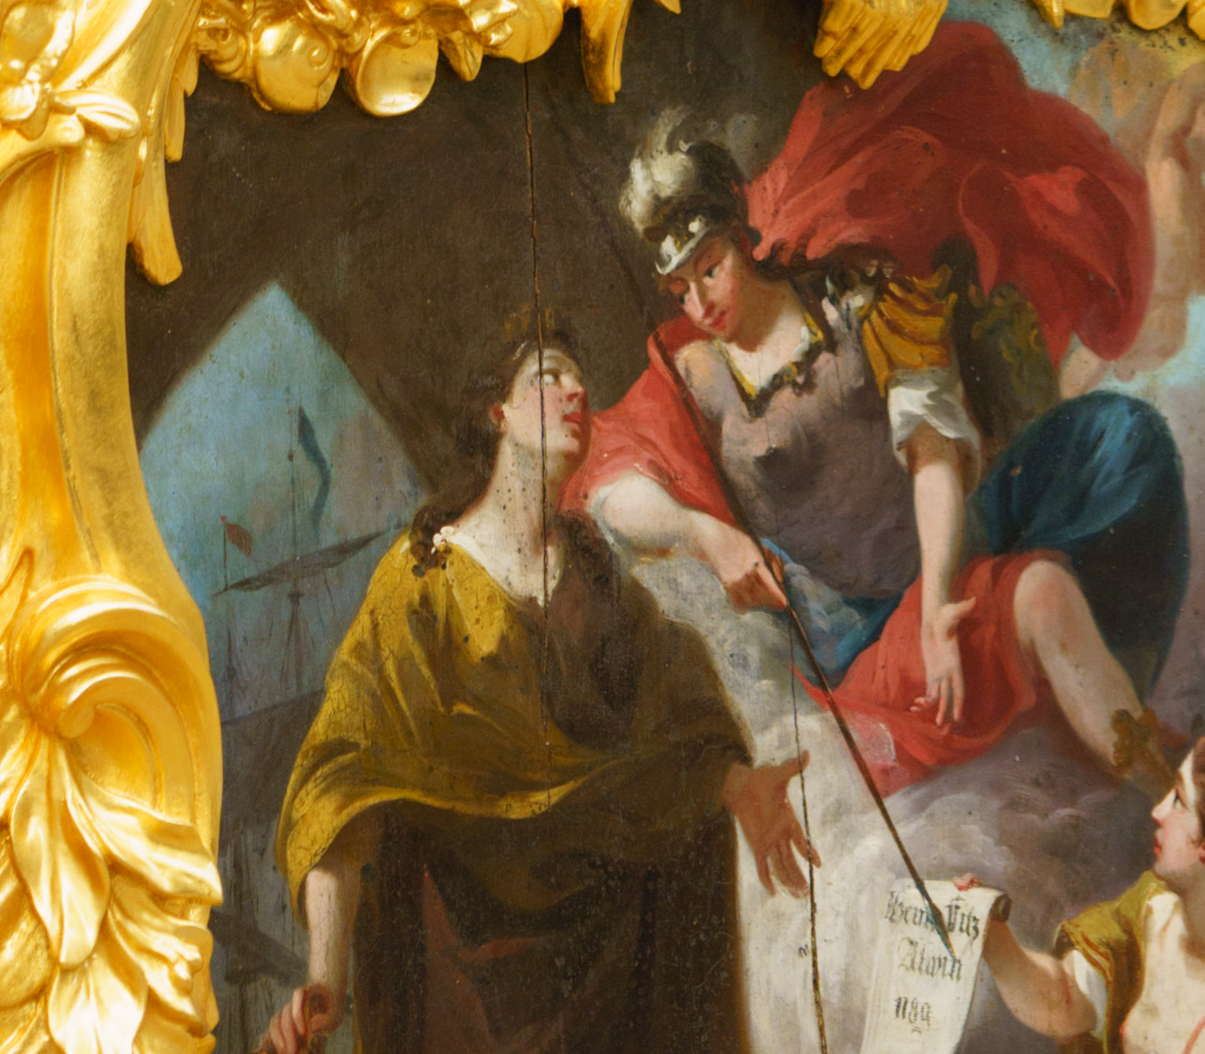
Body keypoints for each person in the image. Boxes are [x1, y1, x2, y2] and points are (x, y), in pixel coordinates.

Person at [575, 60, 1197, 800]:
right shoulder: (698, 373)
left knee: (1123, 437)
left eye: (709, 268)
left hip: (953, 538)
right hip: (861, 630)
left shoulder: (854, 292)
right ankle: (1111, 736)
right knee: (1035, 597)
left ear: (740, 239)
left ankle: (1103, 697)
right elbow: (609, 483)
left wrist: (939, 597)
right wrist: (702, 531)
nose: (699, 300)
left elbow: (933, 447)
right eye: (680, 287)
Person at [266, 327, 812, 1054]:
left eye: (582, 378)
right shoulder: (422, 580)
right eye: (550, 375)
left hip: (610, 968)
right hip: (467, 984)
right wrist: (325, 973)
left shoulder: (600, 583)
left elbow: (675, 729)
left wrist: (741, 785)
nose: (577, 391)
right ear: (498, 412)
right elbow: (343, 782)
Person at [987, 738, 1205, 1054]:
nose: (1158, 811)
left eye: (1177, 798)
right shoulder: (1149, 913)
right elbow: (1061, 1004)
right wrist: (989, 931)